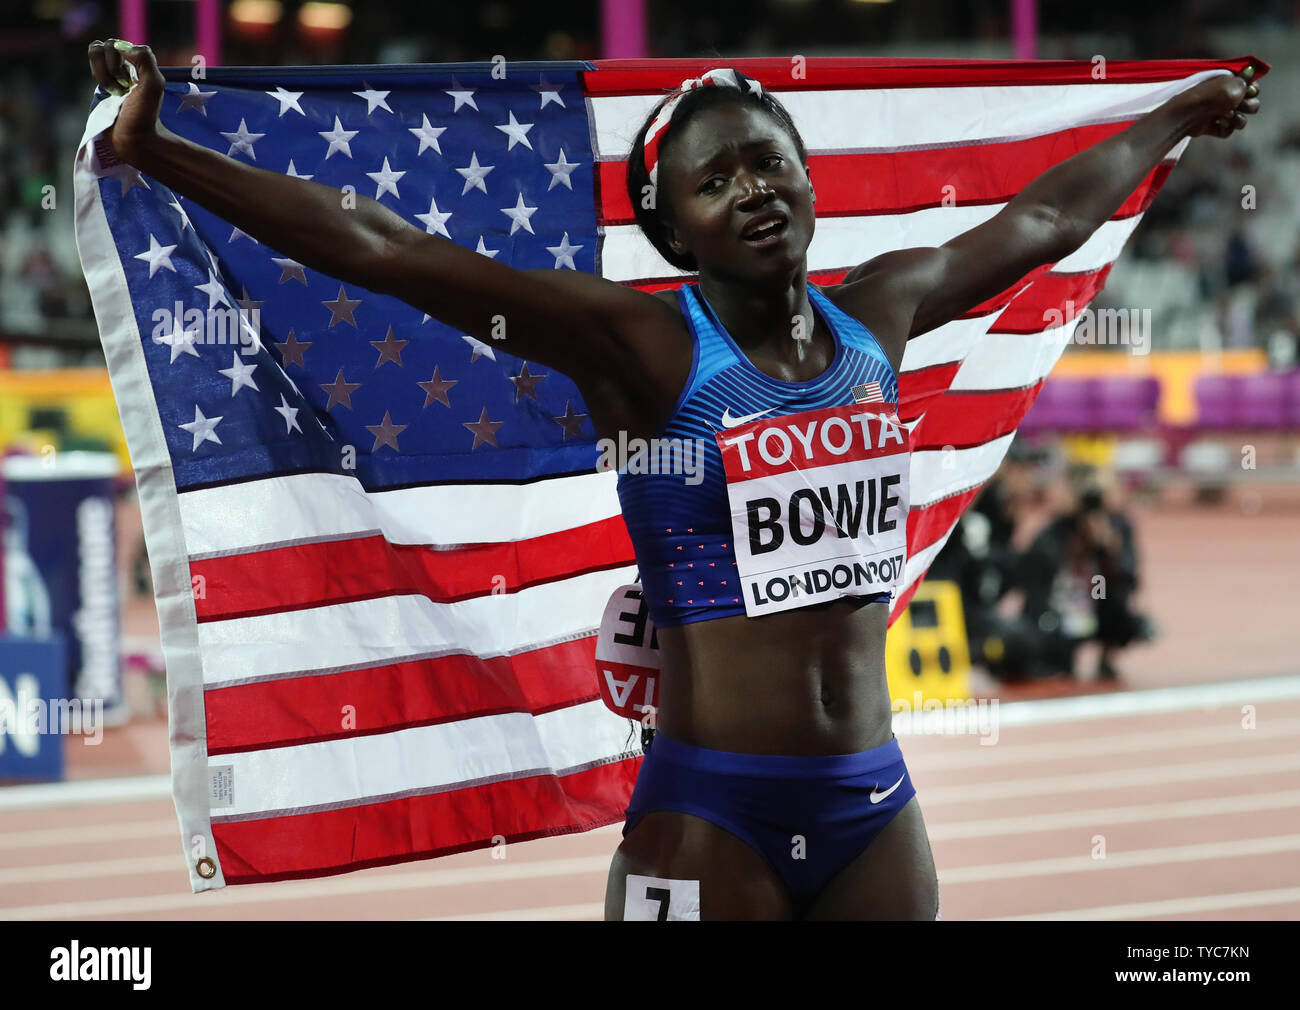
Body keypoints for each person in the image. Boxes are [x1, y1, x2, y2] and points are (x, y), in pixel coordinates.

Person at [86, 40, 1261, 920]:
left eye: (771, 164)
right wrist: (157, 151)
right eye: (717, 182)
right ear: (675, 230)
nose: (754, 188)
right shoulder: (644, 349)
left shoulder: (882, 316)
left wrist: (1173, 117)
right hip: (713, 811)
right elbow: (393, 251)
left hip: (874, 798)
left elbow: (1046, 216)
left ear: (808, 182)